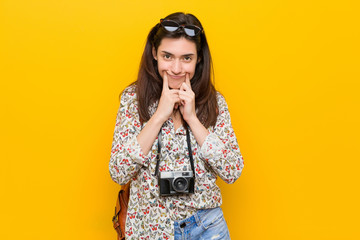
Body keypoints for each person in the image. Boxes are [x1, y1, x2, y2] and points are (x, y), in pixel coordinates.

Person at [109, 12, 244, 240]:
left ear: (199, 58)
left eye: (187, 58)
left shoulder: (214, 102)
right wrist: (159, 116)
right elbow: (119, 172)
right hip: (150, 228)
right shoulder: (134, 99)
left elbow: (232, 171)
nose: (176, 68)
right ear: (154, 53)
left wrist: (192, 118)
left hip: (206, 227)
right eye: (168, 56)